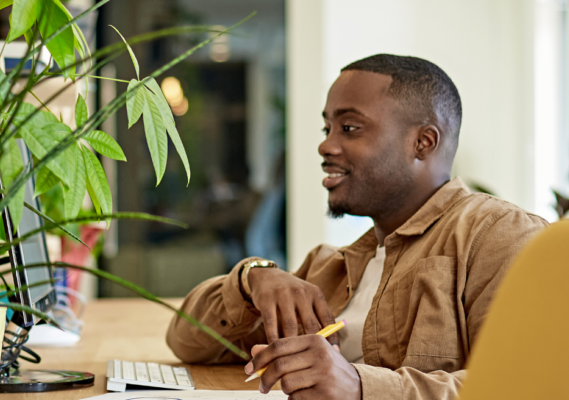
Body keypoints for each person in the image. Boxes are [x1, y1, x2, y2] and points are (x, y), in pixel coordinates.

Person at [165, 54, 549, 400]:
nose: (326, 146)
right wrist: (253, 279)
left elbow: (529, 385)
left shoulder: (503, 236)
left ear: (423, 142)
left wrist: (360, 387)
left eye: (349, 128)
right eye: (326, 128)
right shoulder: (329, 267)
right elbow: (186, 342)